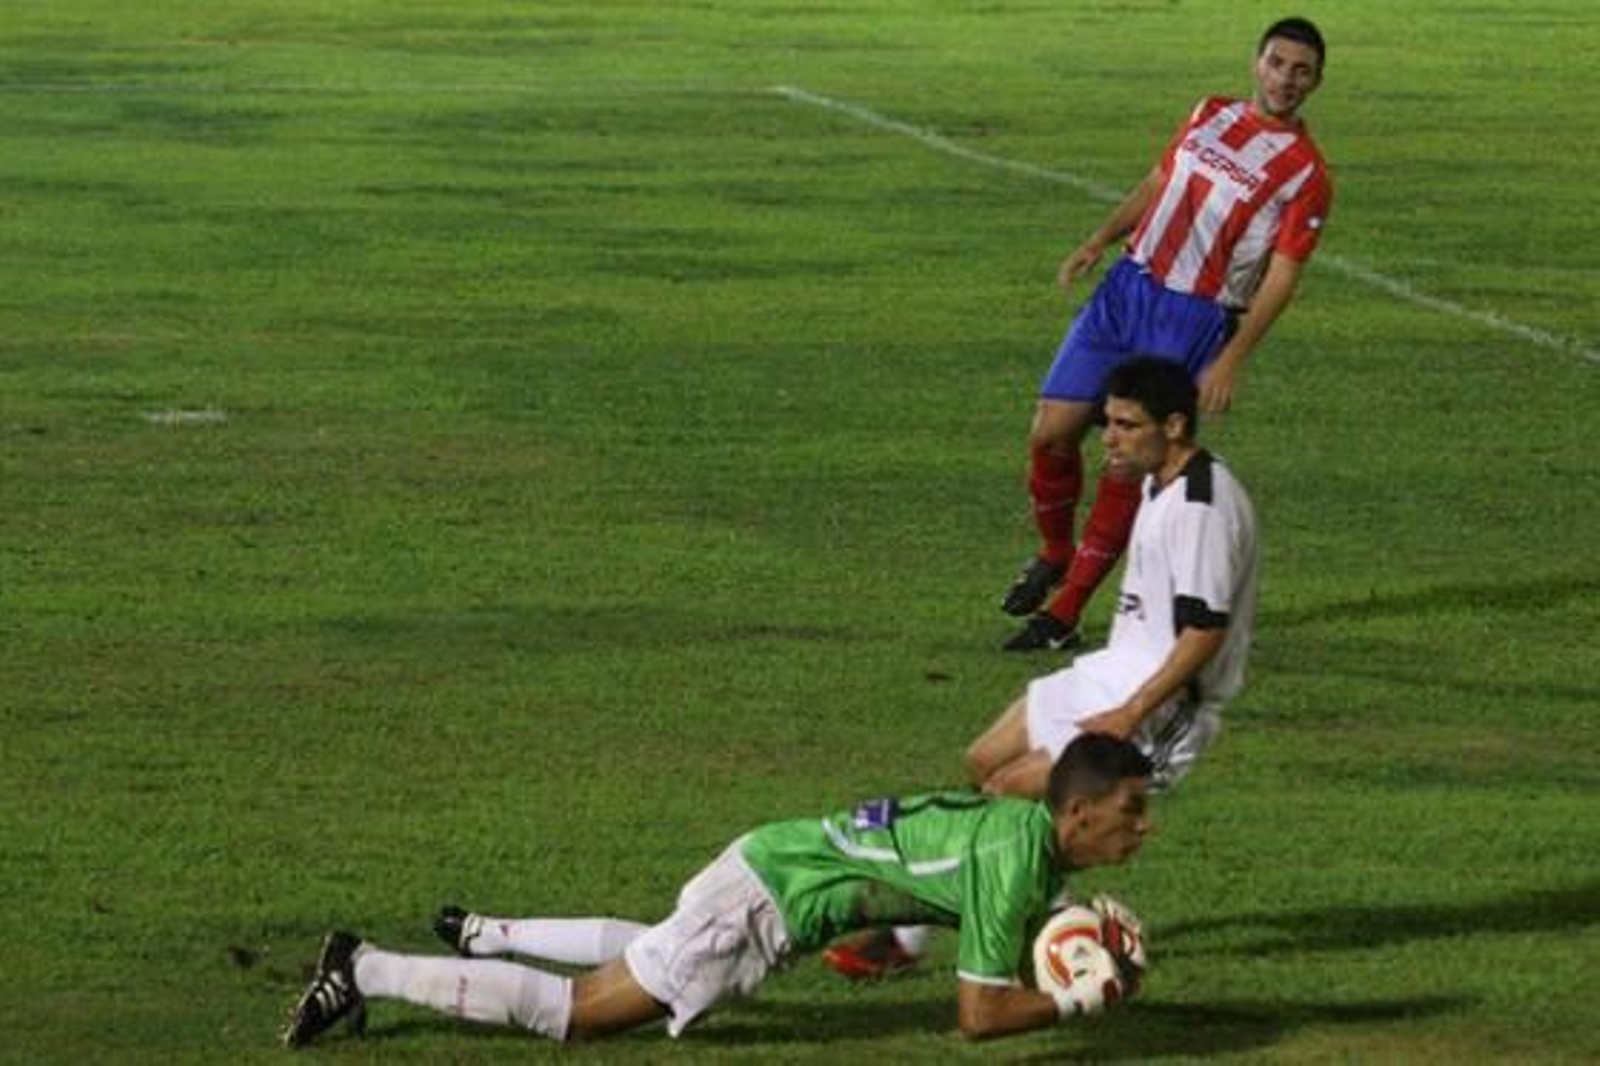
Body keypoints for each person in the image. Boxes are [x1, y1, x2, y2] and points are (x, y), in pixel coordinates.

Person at [282, 734, 1155, 1049]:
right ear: (1076, 813)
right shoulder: (1015, 863)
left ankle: (485, 934)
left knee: (641, 959)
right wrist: (1080, 1002)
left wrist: (1071, 933)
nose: (1142, 827)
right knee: (581, 1015)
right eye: (1130, 812)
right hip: (765, 901)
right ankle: (364, 971)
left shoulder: (1021, 838)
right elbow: (978, 1018)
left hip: (772, 858)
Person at [827, 357, 1256, 978]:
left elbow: (1204, 632)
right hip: (1114, 668)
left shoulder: (1201, 509)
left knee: (1015, 795)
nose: (1108, 437)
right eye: (1107, 422)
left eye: (1126, 425)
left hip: (1160, 703)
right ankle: (1057, 931)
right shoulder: (1158, 478)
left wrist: (1129, 714)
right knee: (983, 765)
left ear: (1175, 425)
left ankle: (958, 940)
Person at [1001, 16, 1327, 652]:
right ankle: (1054, 551)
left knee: (1126, 458)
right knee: (1051, 428)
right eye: (1278, 63)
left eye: (1301, 71)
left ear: (1315, 84)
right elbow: (1158, 183)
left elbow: (1282, 277)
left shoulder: (1306, 175)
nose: (1286, 79)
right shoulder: (1209, 112)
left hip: (1195, 316)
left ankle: (1063, 614)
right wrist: (1102, 237)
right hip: (1128, 288)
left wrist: (1232, 357)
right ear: (1257, 63)